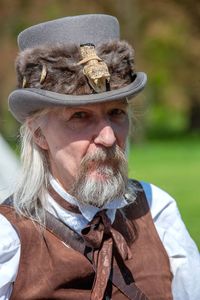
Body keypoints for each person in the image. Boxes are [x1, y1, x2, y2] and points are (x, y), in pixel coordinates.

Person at [0, 14, 199, 300]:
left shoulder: (157, 212)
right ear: (39, 135)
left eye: (116, 113)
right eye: (80, 116)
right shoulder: (9, 240)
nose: (108, 137)